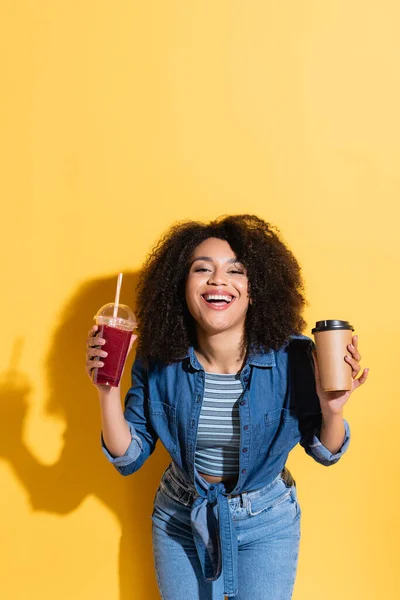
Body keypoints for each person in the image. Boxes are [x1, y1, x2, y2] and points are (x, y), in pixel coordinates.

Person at [85, 214, 368, 600]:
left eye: (236, 271)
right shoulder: (157, 359)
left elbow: (326, 453)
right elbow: (129, 457)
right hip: (181, 518)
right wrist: (107, 389)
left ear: (255, 290)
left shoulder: (296, 357)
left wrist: (333, 410)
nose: (218, 280)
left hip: (267, 521)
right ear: (181, 287)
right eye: (202, 269)